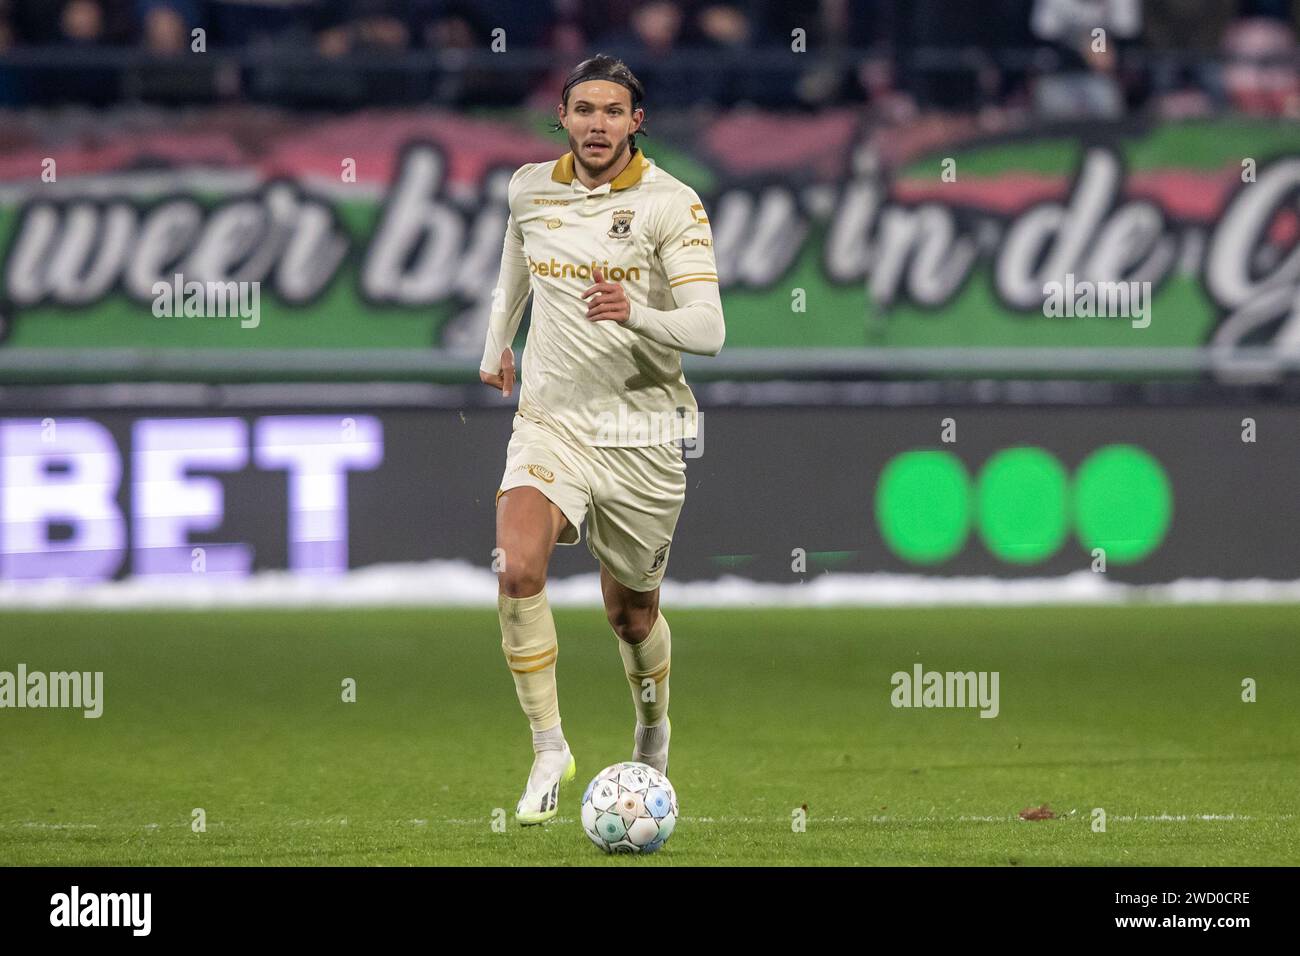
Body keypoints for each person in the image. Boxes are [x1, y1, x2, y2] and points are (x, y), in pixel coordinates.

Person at [479, 54, 724, 825]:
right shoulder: (529, 187)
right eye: (584, 109)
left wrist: (636, 313)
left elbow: (710, 330)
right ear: (563, 114)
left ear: (635, 122)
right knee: (517, 568)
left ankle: (652, 727)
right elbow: (516, 260)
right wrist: (497, 343)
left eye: (612, 112)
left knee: (632, 616)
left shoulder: (670, 205)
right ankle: (549, 745)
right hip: (551, 421)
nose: (597, 124)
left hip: (642, 432)